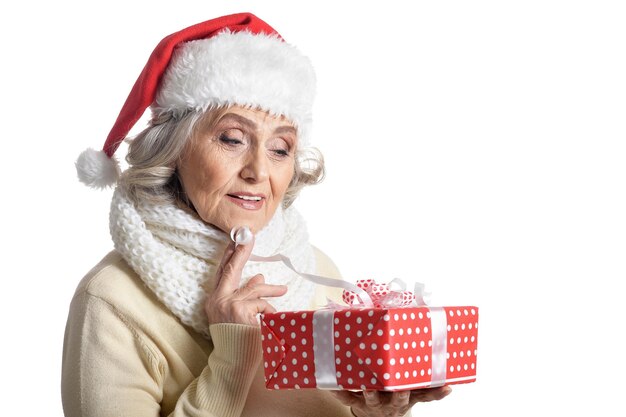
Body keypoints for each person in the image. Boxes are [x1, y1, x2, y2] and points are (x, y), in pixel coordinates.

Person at [62, 12, 451, 417]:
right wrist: (232, 355)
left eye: (280, 148)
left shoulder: (316, 269)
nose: (259, 172)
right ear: (172, 149)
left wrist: (372, 412)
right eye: (232, 139)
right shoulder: (111, 301)